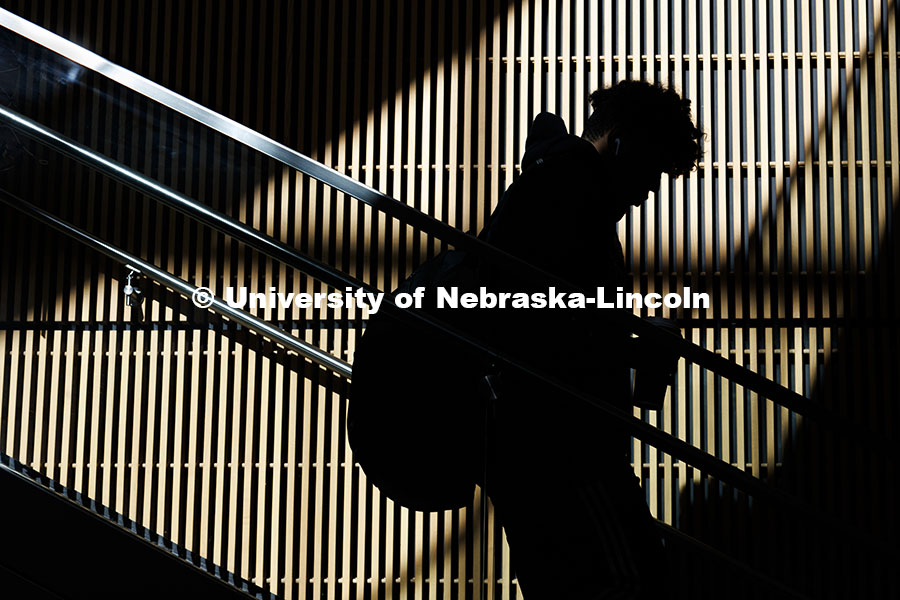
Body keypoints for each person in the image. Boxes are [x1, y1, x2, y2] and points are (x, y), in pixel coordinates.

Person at [473, 80, 702, 598]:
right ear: (621, 142)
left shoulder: (555, 188)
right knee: (629, 580)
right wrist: (641, 343)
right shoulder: (569, 196)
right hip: (563, 445)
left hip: (537, 440)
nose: (648, 192)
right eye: (652, 168)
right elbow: (547, 328)